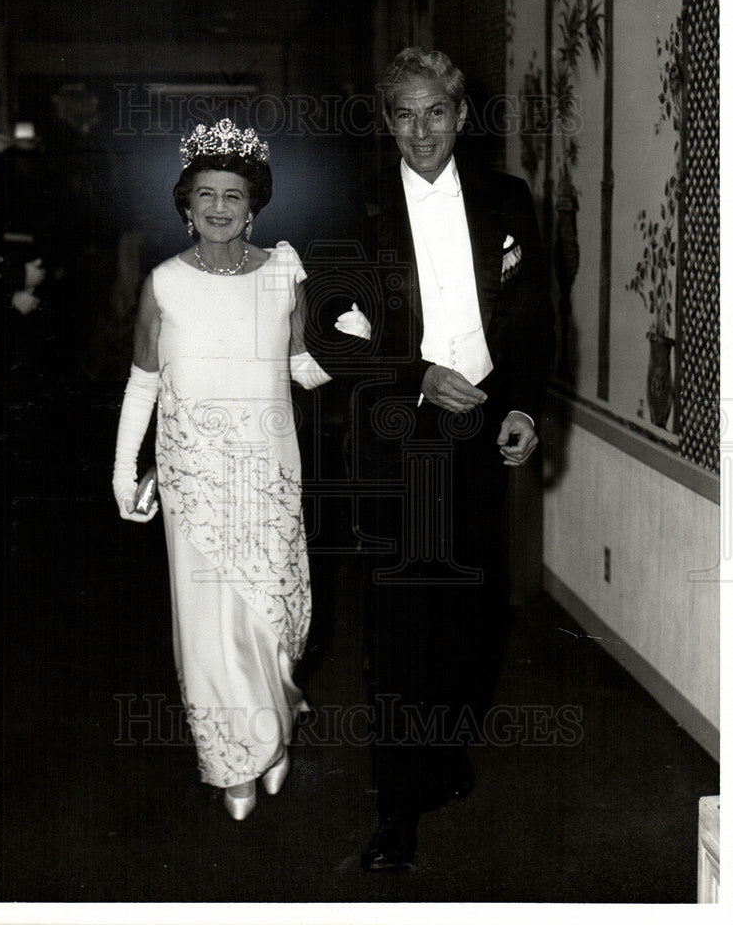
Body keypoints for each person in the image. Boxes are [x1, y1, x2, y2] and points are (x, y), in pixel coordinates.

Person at [306, 48, 554, 869]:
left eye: (436, 112)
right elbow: (322, 335)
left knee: (475, 618)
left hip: (482, 431)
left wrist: (521, 406)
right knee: (402, 628)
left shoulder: (507, 199)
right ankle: (396, 811)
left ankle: (443, 757)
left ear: (460, 116)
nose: (421, 131)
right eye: (405, 114)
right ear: (387, 121)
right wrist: (416, 377)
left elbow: (535, 323)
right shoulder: (355, 207)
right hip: (396, 437)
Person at [112, 120, 341, 820]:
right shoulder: (163, 284)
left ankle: (272, 733)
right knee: (210, 628)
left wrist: (354, 344)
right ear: (186, 205)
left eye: (233, 195)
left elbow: (304, 370)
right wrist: (124, 470)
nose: (219, 207)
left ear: (254, 205)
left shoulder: (282, 273)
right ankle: (232, 761)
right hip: (194, 482)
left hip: (269, 477)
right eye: (205, 195)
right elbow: (143, 383)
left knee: (269, 627)